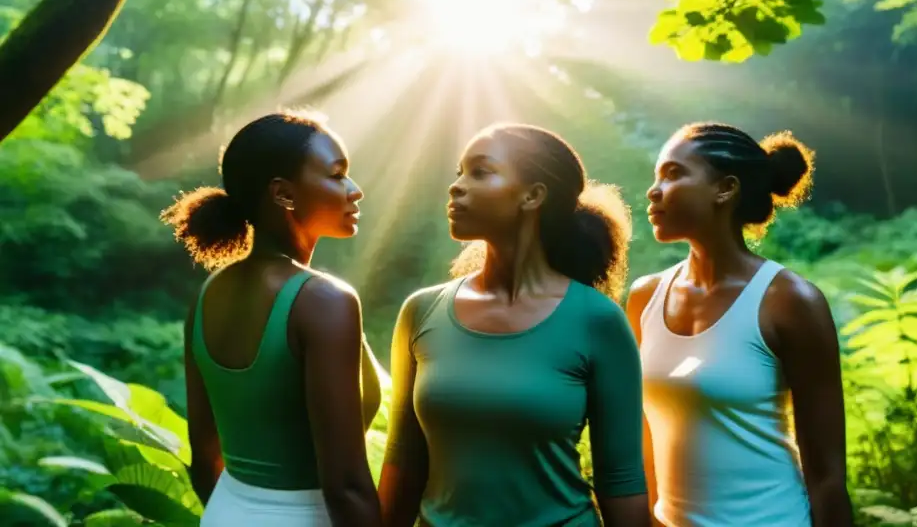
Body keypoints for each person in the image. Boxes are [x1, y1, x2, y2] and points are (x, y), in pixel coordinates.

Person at [378, 123, 650, 527]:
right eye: (459, 173)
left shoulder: (598, 321)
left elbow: (621, 480)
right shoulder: (422, 311)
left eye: (480, 172)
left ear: (533, 195)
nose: (456, 187)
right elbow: (403, 460)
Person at [160, 111, 382, 527]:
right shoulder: (324, 301)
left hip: (225, 512)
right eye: (337, 176)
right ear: (283, 194)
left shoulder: (209, 294)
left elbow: (204, 456)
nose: (355, 191)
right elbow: (347, 486)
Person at [626, 123, 853, 527]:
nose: (654, 190)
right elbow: (641, 442)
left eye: (674, 174)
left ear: (725, 189)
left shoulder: (790, 301)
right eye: (657, 175)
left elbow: (827, 474)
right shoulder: (645, 298)